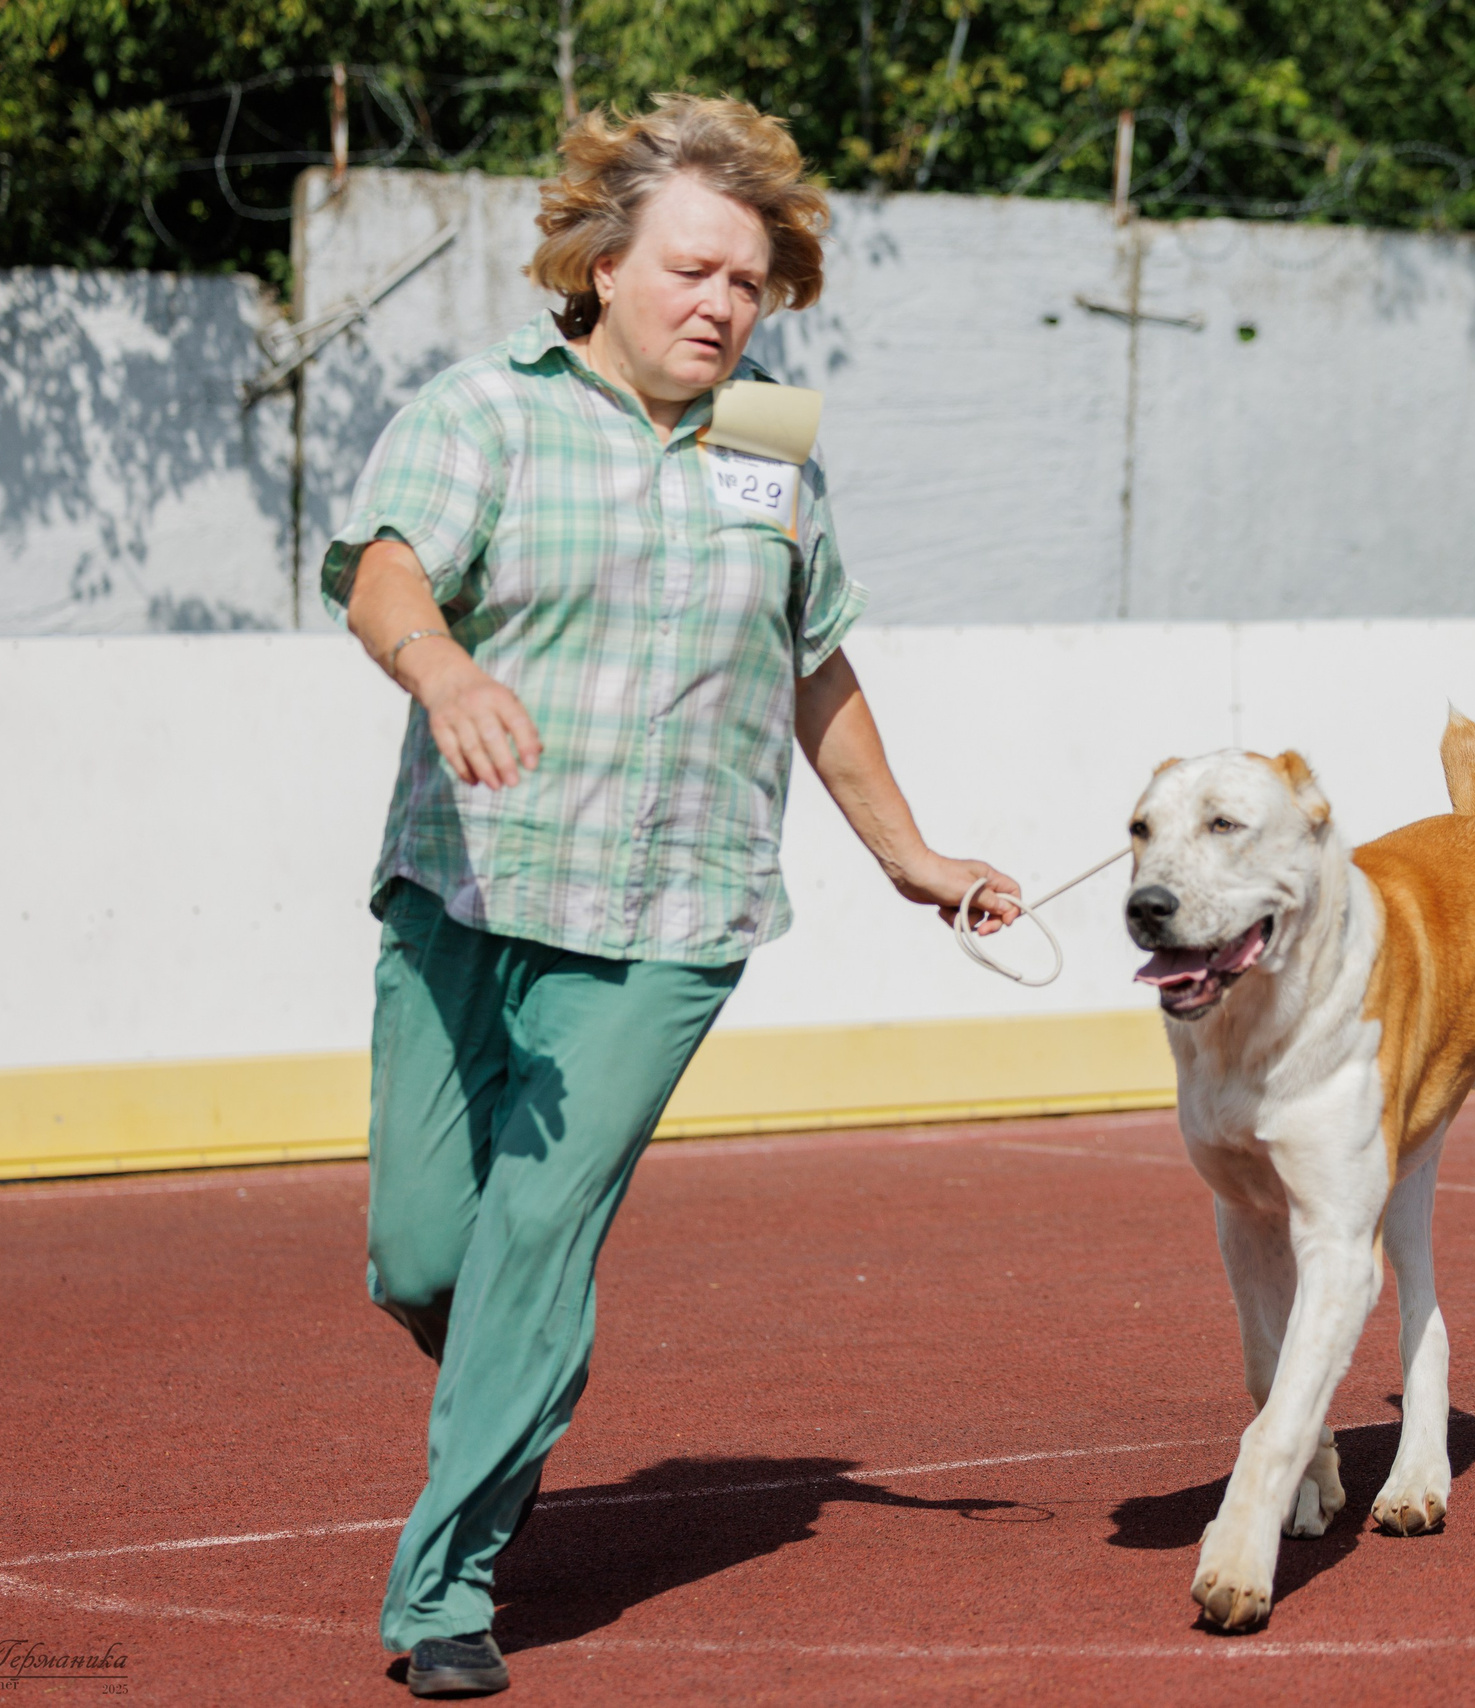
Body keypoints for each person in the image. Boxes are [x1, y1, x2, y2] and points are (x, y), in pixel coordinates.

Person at [320, 94, 1021, 1698]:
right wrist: (440, 669)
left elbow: (812, 655)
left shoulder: (772, 436)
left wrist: (914, 859)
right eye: (694, 271)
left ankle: (447, 1591)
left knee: (536, 1237)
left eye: (749, 284)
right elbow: (383, 569)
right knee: (425, 1258)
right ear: (602, 266)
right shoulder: (485, 409)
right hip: (467, 889)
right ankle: (518, 1361)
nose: (721, 306)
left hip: (668, 917)